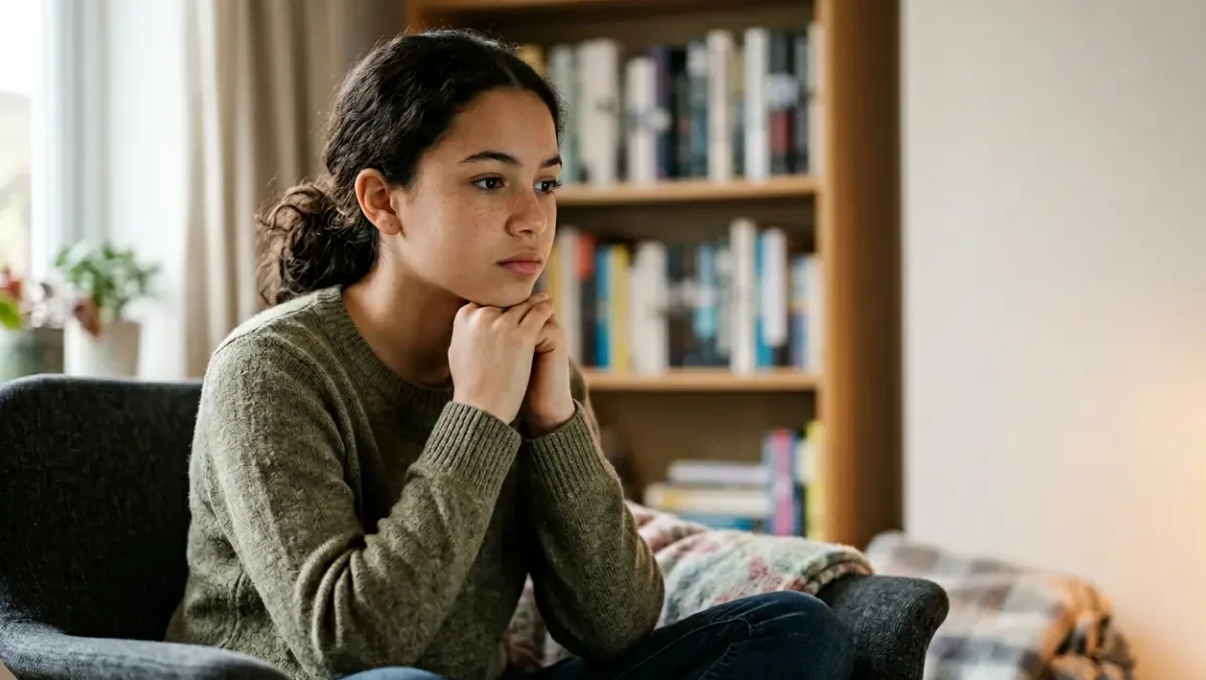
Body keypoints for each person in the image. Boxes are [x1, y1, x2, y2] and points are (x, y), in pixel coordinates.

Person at [164, 28, 855, 680]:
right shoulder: (270, 369)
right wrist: (478, 415)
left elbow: (615, 627)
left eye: (546, 183)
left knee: (795, 629)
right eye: (490, 181)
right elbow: (349, 644)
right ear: (382, 201)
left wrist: (556, 424)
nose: (533, 220)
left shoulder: (533, 362)